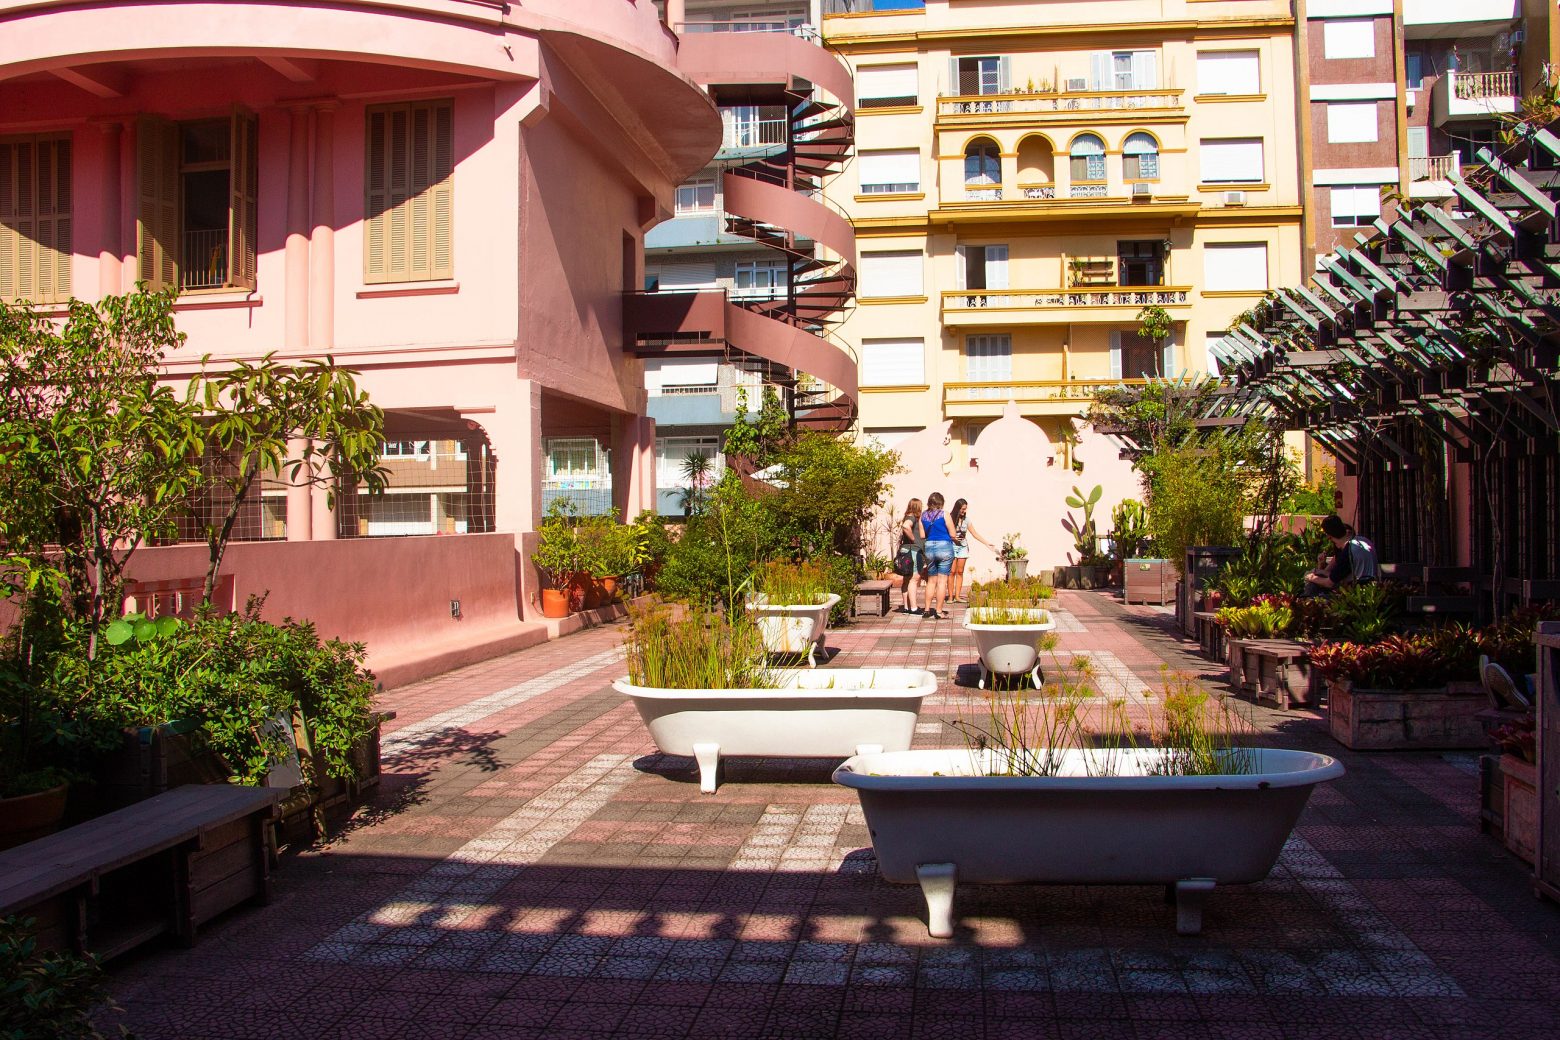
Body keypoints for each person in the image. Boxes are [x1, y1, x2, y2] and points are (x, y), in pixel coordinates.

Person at [1304, 515, 1378, 596]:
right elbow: (1338, 574)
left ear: (1330, 537)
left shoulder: (1348, 552)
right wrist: (1321, 568)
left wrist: (1310, 577)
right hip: (1371, 588)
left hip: (1356, 593)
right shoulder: (1363, 540)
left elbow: (1330, 583)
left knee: (1313, 587)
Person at [947, 498, 994, 603]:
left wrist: (986, 543)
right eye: (962, 509)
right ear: (957, 508)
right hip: (952, 546)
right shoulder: (949, 518)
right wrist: (953, 538)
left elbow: (974, 533)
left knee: (960, 571)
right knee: (951, 572)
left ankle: (957, 596)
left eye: (965, 509)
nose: (964, 511)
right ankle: (950, 597)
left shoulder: (966, 520)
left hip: (963, 547)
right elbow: (945, 534)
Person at [918, 492, 956, 620]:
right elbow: (953, 533)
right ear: (941, 502)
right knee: (942, 581)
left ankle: (927, 610)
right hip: (944, 546)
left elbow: (922, 535)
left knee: (931, 581)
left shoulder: (923, 516)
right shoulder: (944, 514)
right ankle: (939, 611)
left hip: (929, 547)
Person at [896, 498, 925, 615]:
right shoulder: (912, 517)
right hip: (912, 551)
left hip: (905, 550)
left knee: (906, 579)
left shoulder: (907, 515)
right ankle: (913, 608)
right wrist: (914, 539)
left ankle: (906, 607)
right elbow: (906, 526)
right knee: (914, 578)